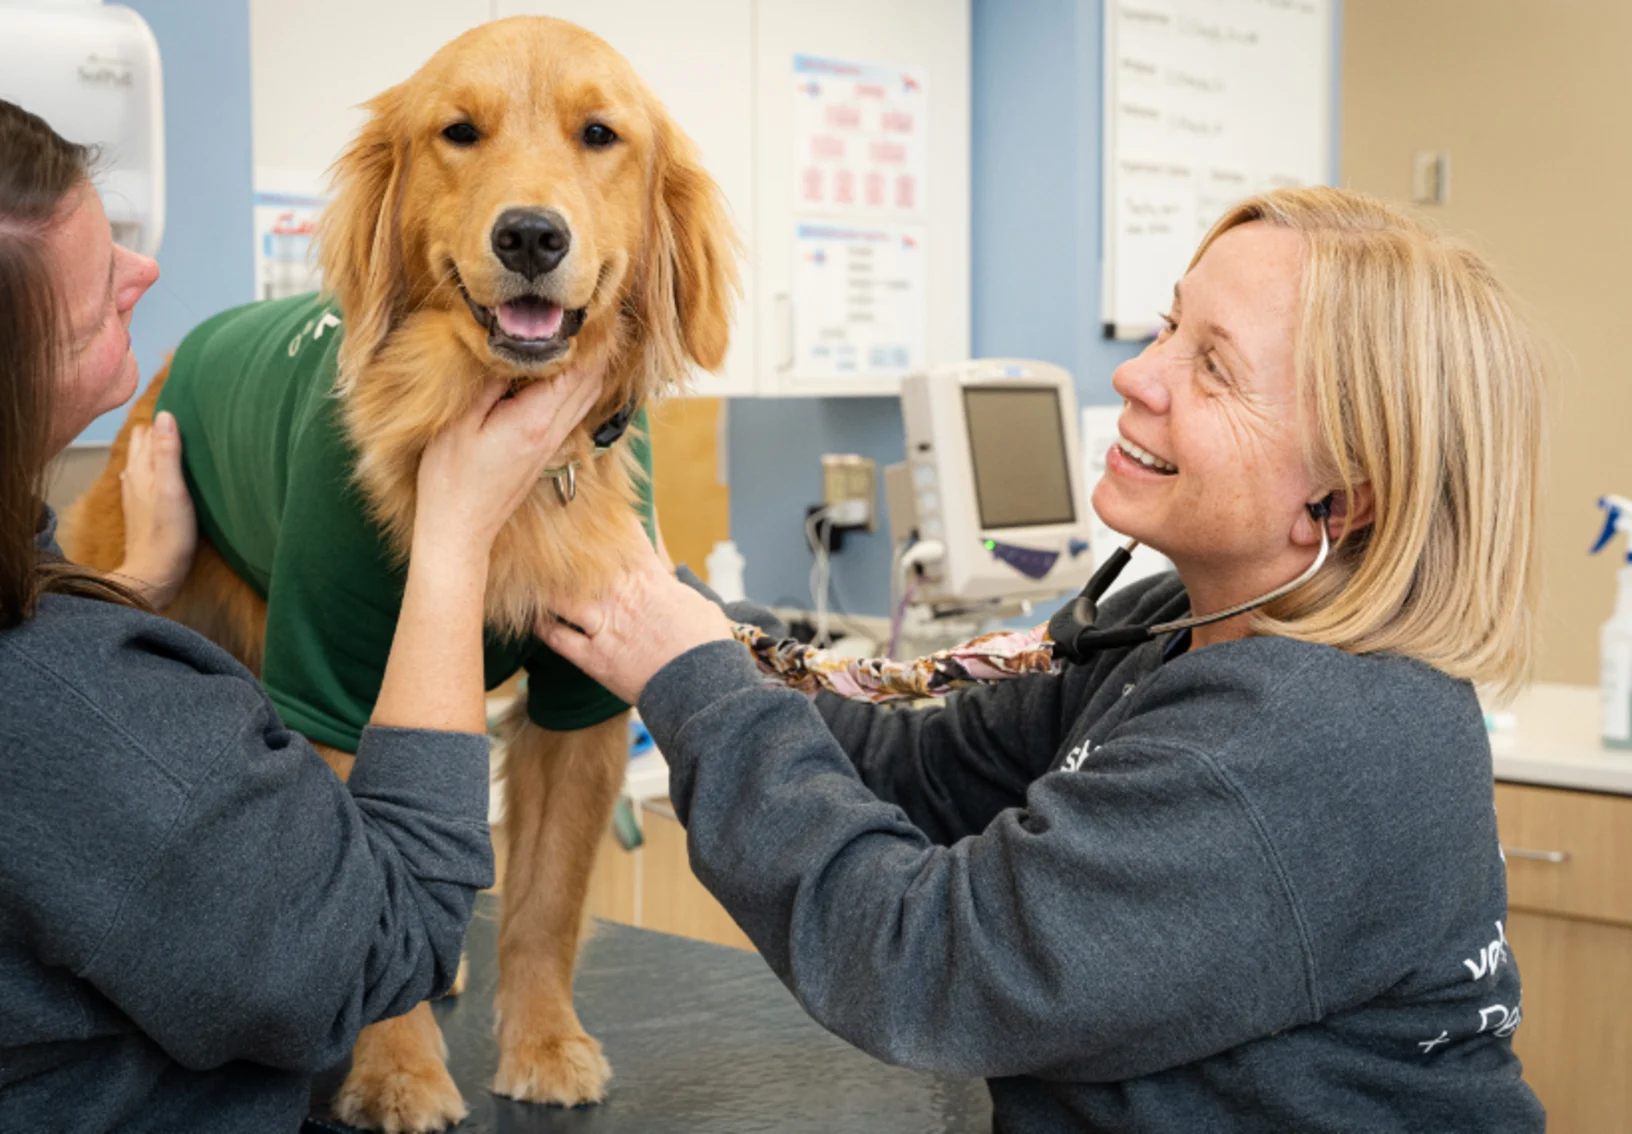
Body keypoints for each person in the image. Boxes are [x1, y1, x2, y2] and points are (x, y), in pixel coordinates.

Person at [541, 186, 1549, 1132]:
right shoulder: (1185, 623)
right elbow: (919, 772)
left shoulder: (1298, 742)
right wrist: (691, 627)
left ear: (1346, 497)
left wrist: (698, 692)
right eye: (1168, 326)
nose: (1135, 375)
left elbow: (928, 966)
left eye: (1214, 367)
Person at [0, 100, 606, 1131]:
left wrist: (135, 583)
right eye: (106, 277)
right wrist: (454, 533)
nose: (149, 274)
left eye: (596, 138)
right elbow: (367, 941)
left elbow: (576, 728)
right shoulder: (64, 701)